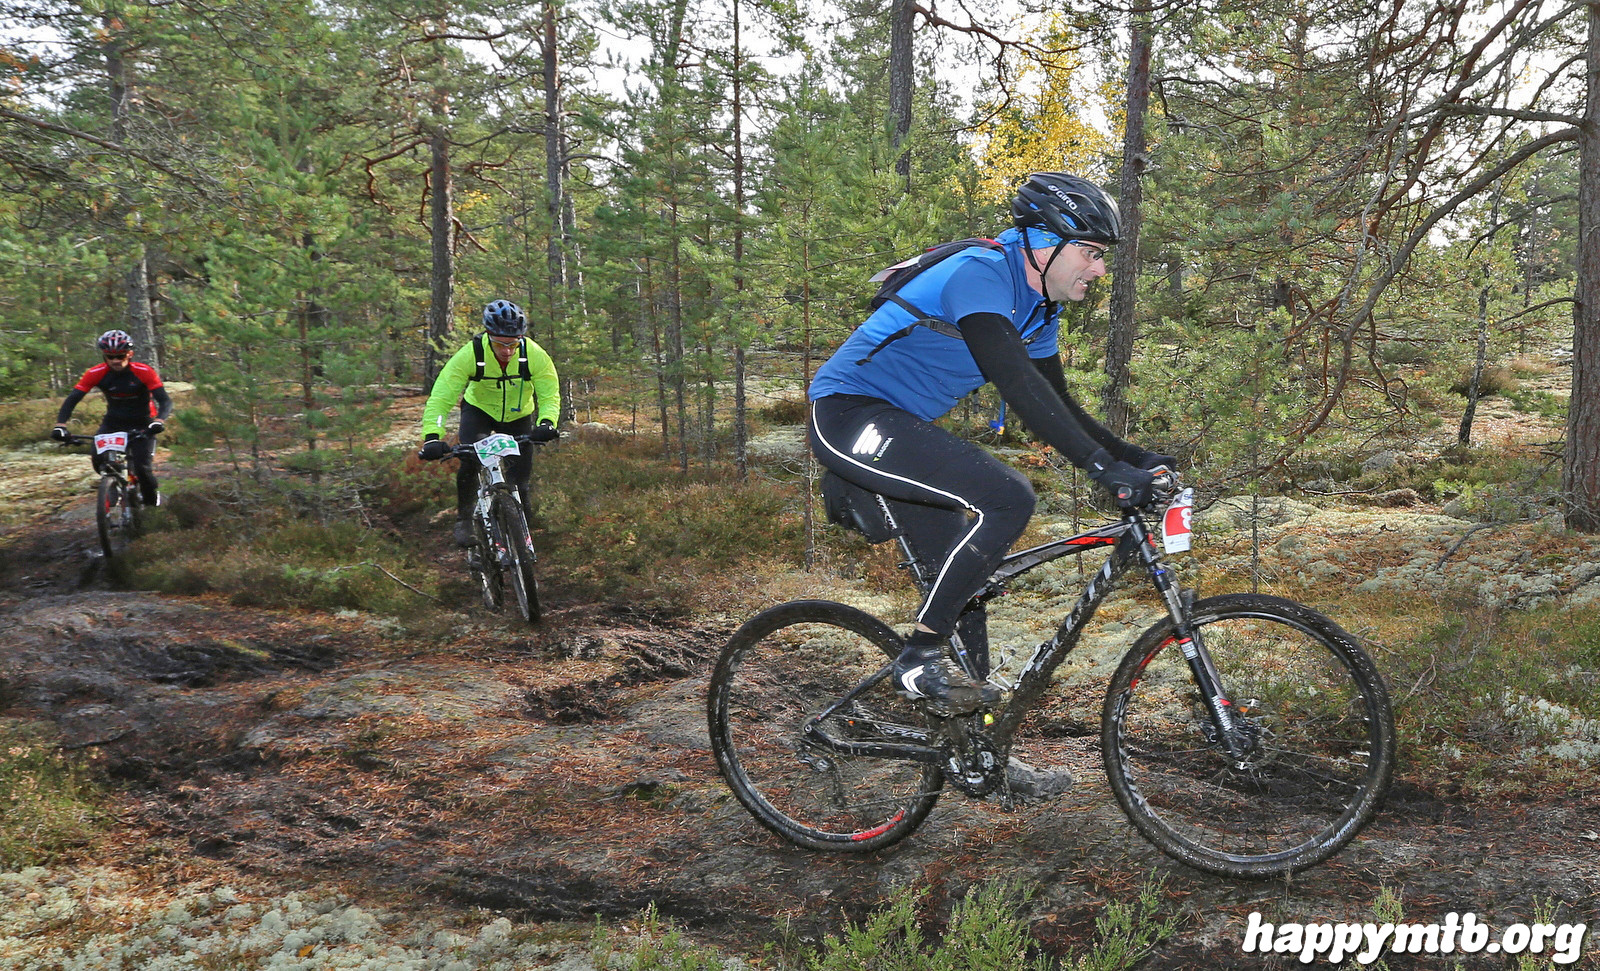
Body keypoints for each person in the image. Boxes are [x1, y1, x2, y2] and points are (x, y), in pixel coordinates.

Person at [808, 172, 1174, 715]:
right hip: (847, 414)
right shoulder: (980, 275)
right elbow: (1018, 385)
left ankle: (971, 742)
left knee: (965, 586)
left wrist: (1133, 457)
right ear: (1045, 244)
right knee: (1008, 497)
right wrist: (1102, 469)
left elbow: (1056, 402)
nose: (1100, 269)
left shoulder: (1039, 309)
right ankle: (919, 658)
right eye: (1091, 253)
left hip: (901, 425)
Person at [420, 299, 560, 546]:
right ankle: (464, 519)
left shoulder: (534, 355)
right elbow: (441, 397)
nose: (507, 351)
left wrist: (547, 422)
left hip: (519, 416)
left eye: (513, 343)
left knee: (521, 483)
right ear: (488, 335)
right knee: (470, 460)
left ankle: (522, 541)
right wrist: (432, 436)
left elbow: (549, 394)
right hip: (479, 412)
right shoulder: (470, 354)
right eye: (499, 344)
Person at [52, 329, 172, 507]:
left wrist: (159, 421)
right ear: (104, 356)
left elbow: (165, 400)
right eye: (110, 356)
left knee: (142, 468)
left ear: (130, 354)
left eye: (121, 356)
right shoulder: (96, 372)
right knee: (98, 458)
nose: (116, 360)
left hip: (142, 422)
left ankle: (151, 504)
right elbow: (72, 399)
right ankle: (113, 482)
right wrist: (60, 425)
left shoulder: (143, 371)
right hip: (114, 422)